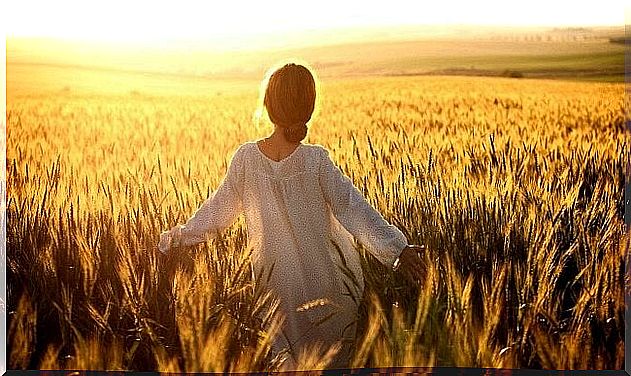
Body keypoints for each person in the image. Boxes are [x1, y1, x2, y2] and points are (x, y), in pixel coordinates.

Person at [158, 62, 426, 370]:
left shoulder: (246, 159)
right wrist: (397, 250)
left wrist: (174, 239)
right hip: (329, 289)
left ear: (269, 105)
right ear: (308, 108)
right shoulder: (316, 161)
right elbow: (354, 209)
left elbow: (215, 215)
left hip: (275, 292)